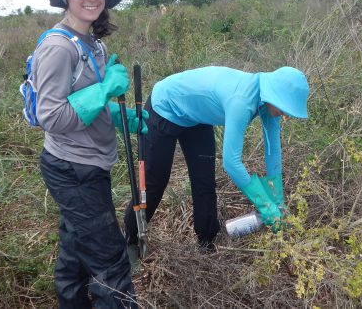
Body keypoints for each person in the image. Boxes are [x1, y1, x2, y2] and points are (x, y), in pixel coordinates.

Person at [34, 0, 142, 308]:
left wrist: (118, 115)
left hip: (91, 164)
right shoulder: (57, 47)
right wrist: (105, 91)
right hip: (72, 168)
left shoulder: (94, 44)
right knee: (112, 261)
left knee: (75, 248)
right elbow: (50, 115)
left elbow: (87, 106)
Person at [123, 65, 309, 256]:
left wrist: (277, 199)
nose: (286, 114)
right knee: (155, 182)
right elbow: (232, 163)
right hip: (165, 106)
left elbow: (272, 150)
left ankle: (206, 241)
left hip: (197, 117)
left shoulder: (269, 104)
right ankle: (129, 237)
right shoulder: (242, 101)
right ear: (274, 94)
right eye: (285, 107)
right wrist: (263, 203)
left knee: (204, 180)